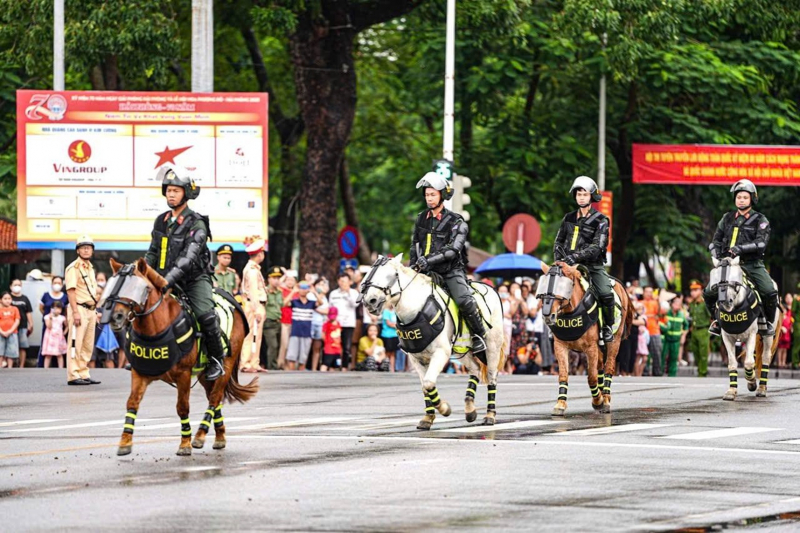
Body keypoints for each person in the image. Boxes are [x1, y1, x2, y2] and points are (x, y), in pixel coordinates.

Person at [144, 166, 226, 381]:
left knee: (205, 316)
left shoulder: (196, 223)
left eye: (176, 190)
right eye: (168, 190)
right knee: (137, 304)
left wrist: (165, 281)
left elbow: (187, 260)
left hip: (193, 279)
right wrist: (142, 272)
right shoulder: (161, 221)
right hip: (164, 279)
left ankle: (217, 359)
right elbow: (153, 252)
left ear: (187, 194)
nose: (171, 194)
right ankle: (141, 354)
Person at [409, 172, 487, 355]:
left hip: (450, 271)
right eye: (427, 194)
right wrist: (413, 266)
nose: (429, 198)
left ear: (442, 195)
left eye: (433, 194)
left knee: (464, 300)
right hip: (424, 271)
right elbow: (415, 245)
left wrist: (426, 261)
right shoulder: (421, 218)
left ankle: (479, 335)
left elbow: (453, 250)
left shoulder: (456, 221)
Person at [705, 179, 777, 337]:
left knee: (769, 291)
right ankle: (716, 321)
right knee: (708, 293)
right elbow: (715, 241)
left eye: (745, 197)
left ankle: (767, 323)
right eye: (738, 197)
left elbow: (761, 244)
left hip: (751, 264)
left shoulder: (760, 219)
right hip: (727, 265)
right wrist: (716, 255)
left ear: (752, 198)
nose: (741, 200)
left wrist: (740, 249)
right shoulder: (727, 218)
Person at [553, 176, 614, 343]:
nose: (581, 197)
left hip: (592, 266)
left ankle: (608, 327)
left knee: (606, 293)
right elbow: (558, 241)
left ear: (592, 197)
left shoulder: (601, 220)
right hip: (568, 265)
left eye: (585, 194)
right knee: (549, 289)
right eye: (578, 193)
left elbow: (597, 247)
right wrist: (559, 259)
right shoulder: (568, 218)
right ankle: (552, 321)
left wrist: (574, 257)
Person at [65, 235, 100, 385]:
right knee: (75, 343)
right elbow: (71, 290)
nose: (86, 250)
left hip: (90, 310)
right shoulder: (74, 268)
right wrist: (75, 312)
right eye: (83, 247)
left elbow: (91, 291)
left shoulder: (91, 268)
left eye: (89, 247)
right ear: (78, 250)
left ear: (92, 250)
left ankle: (83, 372)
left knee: (87, 344)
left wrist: (95, 310)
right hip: (78, 307)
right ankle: (73, 375)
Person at [239, 239, 268, 373]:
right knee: (251, 334)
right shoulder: (252, 271)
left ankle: (254, 362)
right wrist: (257, 309)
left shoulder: (253, 269)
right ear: (259, 254)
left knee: (257, 334)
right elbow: (254, 292)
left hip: (254, 304)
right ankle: (246, 363)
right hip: (254, 304)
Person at [284, 281, 319, 370]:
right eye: (301, 288)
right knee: (292, 357)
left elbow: (321, 303)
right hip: (295, 332)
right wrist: (293, 291)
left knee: (302, 359)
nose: (303, 290)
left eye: (305, 288)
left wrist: (314, 292)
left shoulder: (311, 303)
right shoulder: (295, 302)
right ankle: (291, 377)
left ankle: (300, 377)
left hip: (306, 333)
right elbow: (284, 303)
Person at [328, 272, 358, 371]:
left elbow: (355, 304)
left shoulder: (354, 293)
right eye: (341, 281)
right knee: (335, 345)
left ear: (350, 282)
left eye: (345, 281)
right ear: (338, 281)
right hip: (335, 323)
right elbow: (330, 308)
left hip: (348, 323)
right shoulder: (333, 293)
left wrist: (348, 292)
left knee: (347, 346)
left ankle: (344, 366)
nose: (343, 283)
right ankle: (334, 366)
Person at [37, 276, 69, 367]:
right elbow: (41, 308)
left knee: (59, 348)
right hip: (48, 326)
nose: (57, 285)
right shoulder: (46, 295)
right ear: (51, 284)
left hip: (60, 328)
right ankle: (43, 366)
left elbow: (66, 311)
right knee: (46, 345)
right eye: (55, 283)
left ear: (62, 285)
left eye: (59, 283)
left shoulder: (65, 297)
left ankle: (59, 367)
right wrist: (48, 317)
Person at [686, 280, 712, 377]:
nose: (693, 292)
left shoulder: (705, 303)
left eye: (696, 290)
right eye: (692, 290)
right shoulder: (692, 304)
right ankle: (699, 370)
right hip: (694, 331)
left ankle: (702, 373)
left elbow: (711, 317)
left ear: (701, 291)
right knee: (695, 353)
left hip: (703, 330)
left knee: (703, 354)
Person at [660, 296, 688, 377]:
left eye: (679, 304)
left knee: (674, 358)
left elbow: (686, 326)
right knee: (663, 356)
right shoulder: (666, 313)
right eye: (676, 303)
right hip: (666, 338)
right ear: (672, 304)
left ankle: (672, 375)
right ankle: (660, 373)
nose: (677, 306)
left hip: (676, 340)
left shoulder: (681, 315)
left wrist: (684, 336)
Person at [263, 266, 284, 371]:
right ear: (269, 279)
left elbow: (282, 305)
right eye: (274, 278)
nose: (276, 281)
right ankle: (272, 367)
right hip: (268, 322)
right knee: (273, 346)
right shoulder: (265, 291)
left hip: (277, 322)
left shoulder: (279, 292)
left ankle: (272, 365)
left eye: (278, 278)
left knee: (277, 346)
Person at [9, 279, 32, 368]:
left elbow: (28, 312)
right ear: (10, 286)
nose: (17, 287)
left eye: (19, 285)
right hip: (9, 327)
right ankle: (10, 364)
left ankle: (21, 365)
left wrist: (31, 324)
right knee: (10, 345)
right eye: (15, 285)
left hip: (22, 325)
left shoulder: (25, 298)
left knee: (23, 346)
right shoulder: (7, 297)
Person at [308, 277, 330, 371]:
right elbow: (316, 304)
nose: (321, 286)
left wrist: (317, 309)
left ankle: (314, 368)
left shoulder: (325, 298)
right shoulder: (310, 295)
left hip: (320, 324)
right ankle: (303, 367)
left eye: (322, 284)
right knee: (307, 346)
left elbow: (326, 311)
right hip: (310, 322)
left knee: (317, 347)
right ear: (314, 285)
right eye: (319, 284)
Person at [277, 271, 297, 369]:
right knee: (284, 344)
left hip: (294, 321)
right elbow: (284, 303)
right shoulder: (282, 290)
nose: (289, 282)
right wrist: (285, 274)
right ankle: (280, 364)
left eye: (292, 280)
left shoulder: (298, 292)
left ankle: (289, 365)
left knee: (291, 345)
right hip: (284, 321)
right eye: (288, 280)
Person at [642, 286, 664, 376]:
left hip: (654, 331)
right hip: (643, 332)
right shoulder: (640, 303)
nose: (649, 293)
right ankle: (644, 372)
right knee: (643, 353)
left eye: (651, 292)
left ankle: (657, 372)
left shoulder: (655, 302)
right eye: (647, 291)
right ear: (643, 293)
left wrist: (658, 300)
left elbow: (660, 314)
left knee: (657, 353)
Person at [42, 301, 67, 368]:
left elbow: (67, 326)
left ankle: (60, 368)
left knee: (59, 354)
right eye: (56, 308)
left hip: (59, 337)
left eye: (60, 309)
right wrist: (50, 318)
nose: (58, 310)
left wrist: (64, 332)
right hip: (50, 337)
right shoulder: (47, 317)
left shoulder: (62, 318)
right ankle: (45, 368)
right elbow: (49, 326)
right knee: (48, 354)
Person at [0, 291, 20, 368]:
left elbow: (17, 320)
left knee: (11, 351)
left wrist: (10, 331)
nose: (7, 300)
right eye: (5, 298)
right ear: (1, 300)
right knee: (0, 350)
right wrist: (1, 331)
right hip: (1, 333)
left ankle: (10, 367)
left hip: (12, 332)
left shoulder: (15, 309)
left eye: (9, 298)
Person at [321, 307, 342, 372]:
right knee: (325, 364)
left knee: (335, 366)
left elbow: (339, 336)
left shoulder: (338, 324)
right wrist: (327, 343)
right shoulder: (326, 324)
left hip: (337, 349)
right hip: (329, 349)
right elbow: (323, 335)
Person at [380, 303, 398, 373]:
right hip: (387, 335)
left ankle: (392, 368)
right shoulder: (386, 311)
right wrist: (398, 326)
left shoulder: (395, 311)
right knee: (387, 352)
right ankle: (385, 367)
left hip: (395, 335)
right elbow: (389, 323)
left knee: (393, 353)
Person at [777, 293, 793, 368]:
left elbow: (790, 324)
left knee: (785, 350)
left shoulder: (789, 315)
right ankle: (779, 362)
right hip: (781, 336)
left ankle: (783, 362)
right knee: (780, 349)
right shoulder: (781, 317)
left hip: (787, 336)